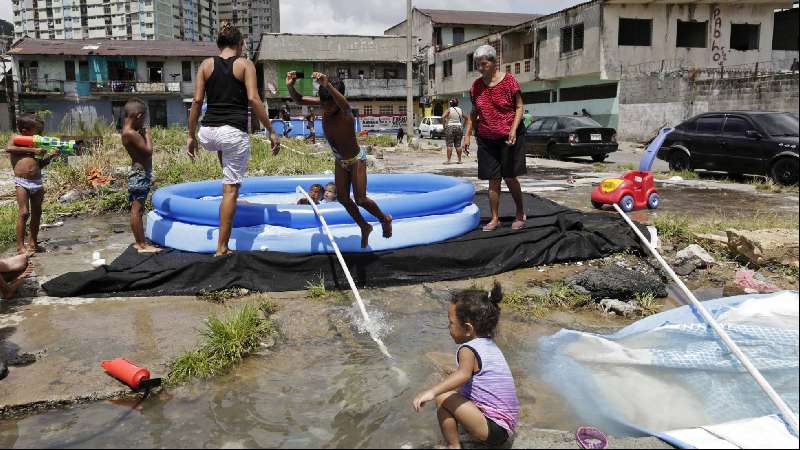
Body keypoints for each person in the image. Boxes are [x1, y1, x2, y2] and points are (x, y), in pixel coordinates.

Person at [186, 22, 280, 257]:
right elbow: (254, 99)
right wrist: (271, 130)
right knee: (231, 190)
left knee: (224, 156)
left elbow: (197, 102)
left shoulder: (206, 65)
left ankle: (229, 198)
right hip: (232, 132)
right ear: (239, 45)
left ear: (219, 45)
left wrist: (190, 136)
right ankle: (222, 248)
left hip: (208, 132)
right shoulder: (245, 64)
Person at [286, 70, 392, 248]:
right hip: (340, 161)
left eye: (330, 105)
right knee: (343, 198)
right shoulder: (326, 104)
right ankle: (364, 227)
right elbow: (298, 99)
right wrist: (290, 86)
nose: (326, 108)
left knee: (361, 199)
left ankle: (384, 219)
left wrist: (327, 84)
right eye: (324, 105)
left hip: (357, 160)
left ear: (337, 99)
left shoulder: (345, 112)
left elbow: (344, 104)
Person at [413, 282, 519, 449]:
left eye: (451, 323)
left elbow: (463, 375)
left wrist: (431, 392)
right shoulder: (488, 344)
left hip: (494, 430)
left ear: (468, 329)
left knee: (442, 397)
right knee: (449, 392)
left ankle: (453, 446)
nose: (448, 328)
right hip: (505, 425)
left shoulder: (468, 349)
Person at [463, 45, 527, 232]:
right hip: (486, 138)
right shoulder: (476, 86)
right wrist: (467, 135)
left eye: (483, 64)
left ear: (493, 62)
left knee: (509, 176)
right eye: (477, 65)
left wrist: (513, 130)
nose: (480, 68)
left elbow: (519, 107)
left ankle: (520, 213)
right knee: (493, 179)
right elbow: (474, 112)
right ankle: (494, 218)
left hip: (509, 137)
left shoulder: (509, 82)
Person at [5, 114, 60, 256]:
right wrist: (33, 150)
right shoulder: (15, 139)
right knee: (24, 213)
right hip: (21, 182)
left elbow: (39, 165)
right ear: (24, 131)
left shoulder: (36, 144)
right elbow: (9, 148)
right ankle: (20, 247)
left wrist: (50, 156)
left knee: (37, 213)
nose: (39, 135)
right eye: (37, 132)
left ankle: (33, 243)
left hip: (37, 182)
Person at [120, 98, 160, 253]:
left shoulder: (127, 132)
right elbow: (148, 151)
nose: (143, 122)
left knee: (137, 209)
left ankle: (140, 242)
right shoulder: (131, 134)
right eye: (143, 118)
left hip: (139, 173)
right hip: (140, 174)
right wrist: (148, 134)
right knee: (137, 210)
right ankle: (142, 245)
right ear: (138, 115)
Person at [441, 98, 465, 164]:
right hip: (459, 127)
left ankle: (448, 160)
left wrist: (444, 126)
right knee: (458, 144)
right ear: (457, 103)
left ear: (450, 103)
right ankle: (459, 160)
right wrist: (463, 125)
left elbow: (443, 117)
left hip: (450, 127)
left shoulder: (449, 110)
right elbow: (466, 118)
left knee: (449, 145)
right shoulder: (460, 110)